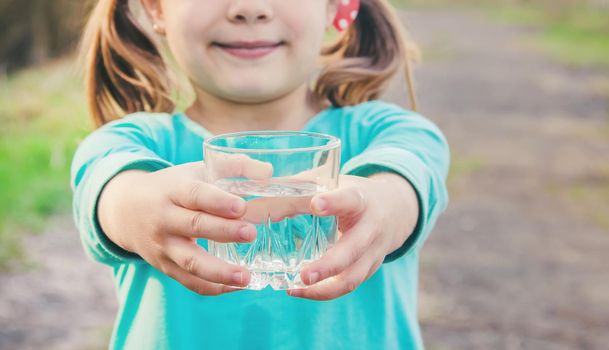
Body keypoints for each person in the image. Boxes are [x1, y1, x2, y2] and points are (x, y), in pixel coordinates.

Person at [71, 0, 450, 348]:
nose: (249, 8)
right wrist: (138, 207)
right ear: (155, 8)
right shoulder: (129, 143)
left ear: (335, 5)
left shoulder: (394, 133)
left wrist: (383, 204)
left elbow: (407, 180)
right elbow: (112, 190)